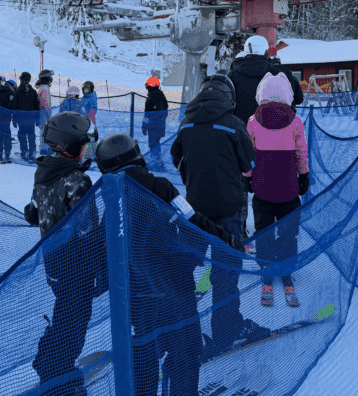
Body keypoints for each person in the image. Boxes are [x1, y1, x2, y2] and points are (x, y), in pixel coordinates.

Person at [95, 133, 243, 396]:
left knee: (144, 350)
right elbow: (193, 219)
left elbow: (100, 243)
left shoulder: (110, 197)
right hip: (173, 286)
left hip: (136, 292)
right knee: (185, 347)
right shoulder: (160, 186)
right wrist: (226, 238)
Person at [170, 72, 269, 356]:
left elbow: (176, 157)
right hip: (229, 209)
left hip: (195, 210)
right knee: (226, 273)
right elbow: (250, 162)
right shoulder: (233, 124)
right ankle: (226, 330)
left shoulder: (186, 123)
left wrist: (193, 173)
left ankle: (178, 331)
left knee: (184, 269)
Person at [26, 112, 99, 396]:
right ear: (71, 146)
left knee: (65, 313)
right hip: (76, 262)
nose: (87, 150)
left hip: (53, 261)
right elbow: (88, 227)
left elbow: (35, 211)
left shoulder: (43, 171)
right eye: (84, 145)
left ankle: (49, 361)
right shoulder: (75, 180)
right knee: (75, 318)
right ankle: (58, 372)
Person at [244, 73, 309, 308]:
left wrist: (247, 178)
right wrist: (304, 175)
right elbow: (301, 151)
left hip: (262, 186)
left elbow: (248, 154)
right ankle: (286, 264)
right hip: (288, 187)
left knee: (264, 228)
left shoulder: (253, 120)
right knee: (288, 230)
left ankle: (266, 264)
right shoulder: (295, 120)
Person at [229, 35, 303, 123]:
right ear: (265, 51)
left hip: (240, 130)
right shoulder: (279, 73)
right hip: (271, 130)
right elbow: (299, 98)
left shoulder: (232, 74)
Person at [13, 72, 41, 161]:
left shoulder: (18, 91)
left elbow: (14, 106)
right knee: (31, 135)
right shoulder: (33, 91)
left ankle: (24, 152)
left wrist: (14, 119)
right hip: (31, 118)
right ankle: (32, 153)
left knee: (22, 135)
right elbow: (37, 106)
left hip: (21, 118)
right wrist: (37, 119)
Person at [143, 76, 169, 168]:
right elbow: (165, 112)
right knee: (156, 143)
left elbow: (147, 114)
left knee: (153, 144)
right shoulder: (162, 96)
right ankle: (157, 162)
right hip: (161, 126)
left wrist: (144, 126)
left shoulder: (150, 98)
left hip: (153, 126)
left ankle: (156, 163)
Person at [35, 69, 54, 155]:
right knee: (45, 131)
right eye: (50, 77)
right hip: (44, 114)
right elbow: (45, 104)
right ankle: (44, 149)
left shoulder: (42, 88)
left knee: (44, 131)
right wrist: (48, 115)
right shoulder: (45, 89)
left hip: (42, 114)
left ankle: (44, 147)